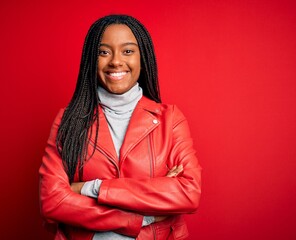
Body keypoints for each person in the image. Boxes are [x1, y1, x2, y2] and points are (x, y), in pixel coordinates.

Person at [39, 14, 201, 240]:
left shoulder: (170, 119)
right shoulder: (67, 120)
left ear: (142, 57)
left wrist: (90, 188)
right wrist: (142, 217)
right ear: (90, 60)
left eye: (127, 51)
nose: (116, 61)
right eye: (104, 52)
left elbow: (188, 193)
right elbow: (53, 201)